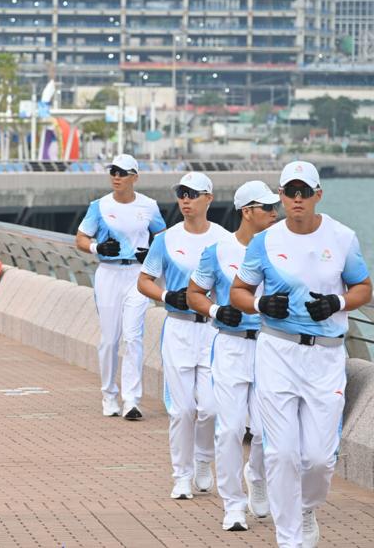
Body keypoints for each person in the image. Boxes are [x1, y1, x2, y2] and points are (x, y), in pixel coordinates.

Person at [231, 161, 372, 548]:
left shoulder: (342, 237)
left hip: (325, 358)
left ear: (317, 195)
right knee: (281, 454)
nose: (297, 198)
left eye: (304, 191)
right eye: (290, 191)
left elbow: (364, 287)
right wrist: (261, 305)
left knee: (319, 458)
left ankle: (307, 507)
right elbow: (238, 291)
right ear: (281, 195)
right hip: (277, 352)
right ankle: (289, 537)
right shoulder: (265, 242)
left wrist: (336, 302)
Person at [186, 180, 280, 532]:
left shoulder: (281, 247)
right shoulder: (218, 250)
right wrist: (214, 311)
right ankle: (233, 505)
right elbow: (195, 292)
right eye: (267, 208)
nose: (275, 213)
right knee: (229, 430)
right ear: (246, 211)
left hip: (272, 345)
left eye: (275, 207)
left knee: (264, 429)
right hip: (230, 346)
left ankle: (256, 476)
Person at [137, 171, 228, 500]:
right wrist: (165, 296)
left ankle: (204, 460)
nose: (186, 199)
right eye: (181, 193)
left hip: (212, 332)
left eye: (193, 193)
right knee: (182, 409)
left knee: (211, 408)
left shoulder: (223, 240)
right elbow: (145, 280)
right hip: (177, 329)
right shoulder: (166, 239)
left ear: (209, 198)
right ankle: (181, 475)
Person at [75, 154, 165, 420]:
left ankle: (131, 400)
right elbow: (80, 238)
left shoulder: (149, 206)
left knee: (133, 337)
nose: (116, 176)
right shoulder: (99, 206)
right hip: (108, 274)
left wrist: (149, 253)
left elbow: (162, 236)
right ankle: (109, 395)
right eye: (113, 171)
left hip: (137, 276)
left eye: (123, 173)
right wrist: (96, 247)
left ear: (134, 177)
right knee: (109, 340)